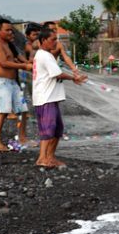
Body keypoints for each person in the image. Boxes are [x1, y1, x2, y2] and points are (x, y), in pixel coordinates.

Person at [32, 27, 88, 167]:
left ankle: (50, 157)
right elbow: (57, 74)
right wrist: (73, 78)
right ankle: (42, 158)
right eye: (53, 39)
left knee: (57, 129)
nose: (55, 42)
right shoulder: (44, 55)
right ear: (43, 40)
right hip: (45, 97)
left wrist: (74, 75)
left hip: (51, 97)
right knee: (48, 129)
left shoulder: (46, 55)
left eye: (56, 39)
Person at [0, 20, 33, 151]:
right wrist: (24, 66)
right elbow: (4, 63)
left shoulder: (9, 45)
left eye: (11, 30)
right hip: (1, 82)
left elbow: (20, 58)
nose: (10, 32)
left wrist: (30, 64)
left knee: (23, 110)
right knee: (3, 111)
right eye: (7, 30)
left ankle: (22, 137)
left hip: (13, 82)